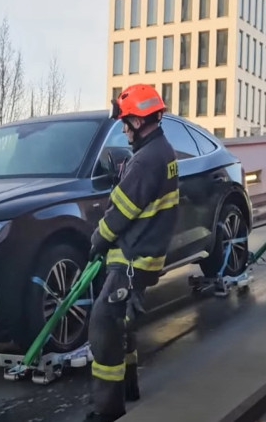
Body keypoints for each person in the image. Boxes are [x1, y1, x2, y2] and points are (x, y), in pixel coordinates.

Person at [85, 84, 180, 422]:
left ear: (139, 122)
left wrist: (97, 238)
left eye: (126, 122)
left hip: (133, 258)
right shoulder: (160, 152)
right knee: (120, 320)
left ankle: (107, 410)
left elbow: (121, 212)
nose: (123, 129)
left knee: (103, 325)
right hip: (141, 256)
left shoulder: (147, 159)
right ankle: (129, 387)